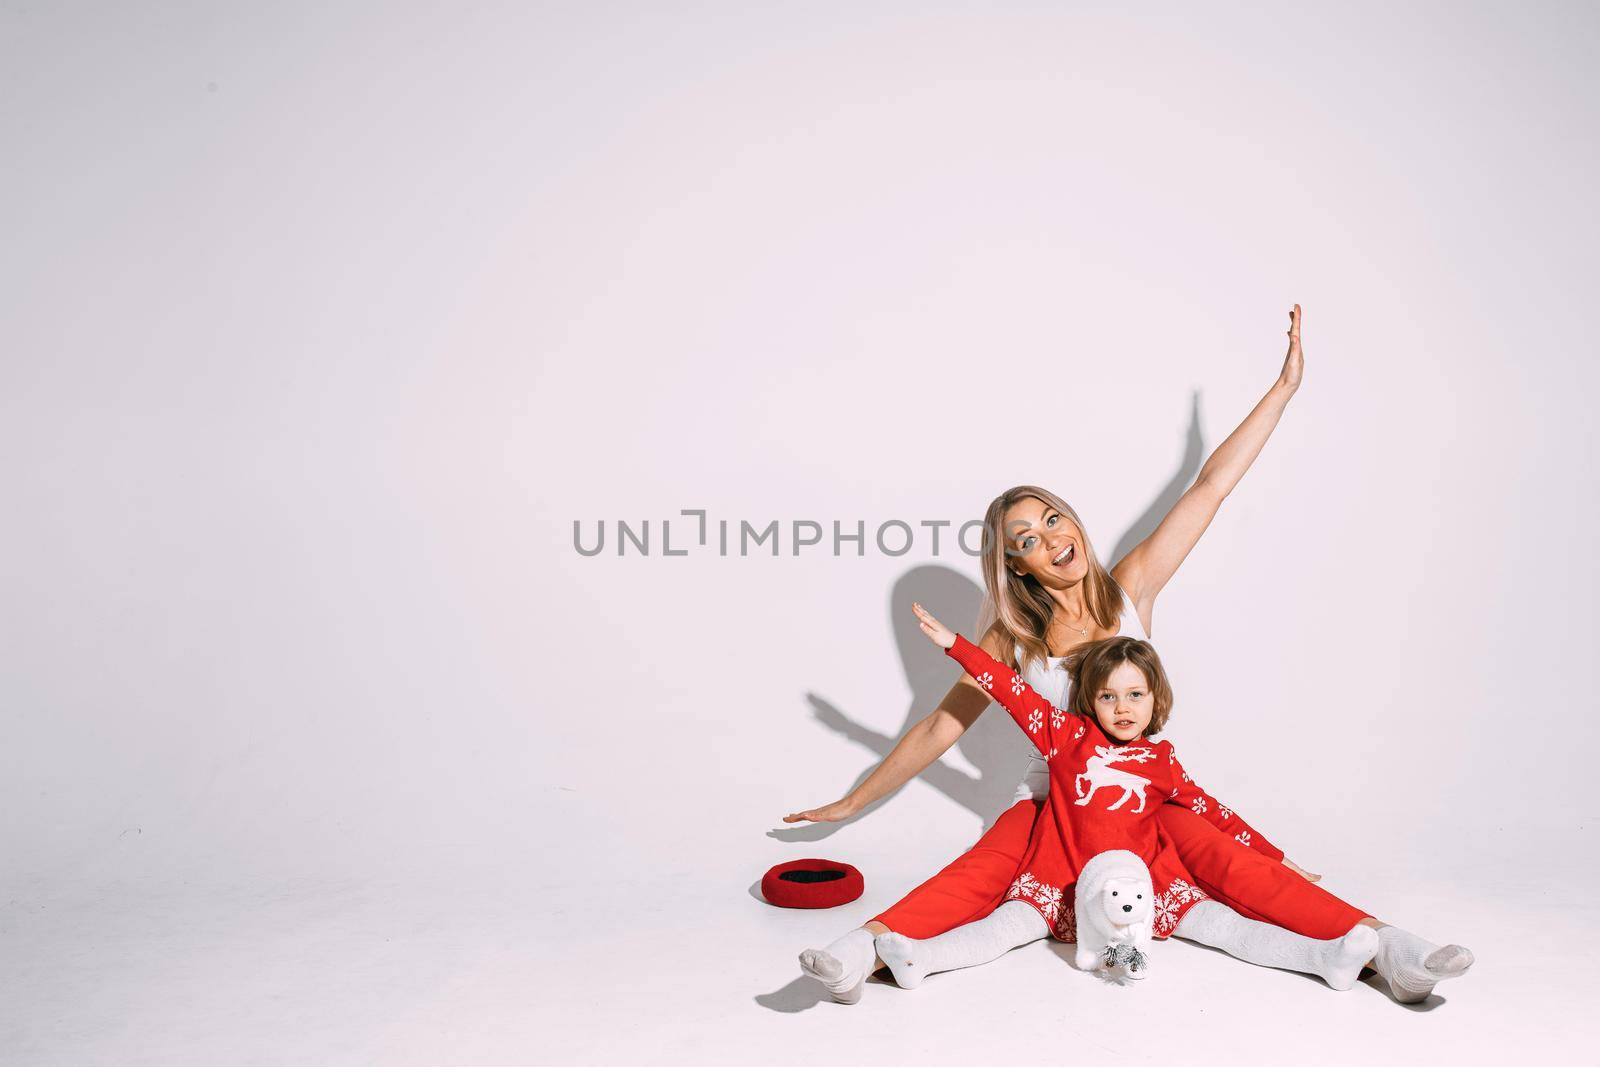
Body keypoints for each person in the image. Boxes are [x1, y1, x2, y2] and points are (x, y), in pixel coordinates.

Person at [788, 307, 1472, 1005]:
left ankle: (1393, 950)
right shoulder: (1010, 641)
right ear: (1016, 565)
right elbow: (938, 730)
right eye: (1025, 536)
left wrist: (1284, 387)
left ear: (1071, 521)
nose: (1048, 536)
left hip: (1142, 791)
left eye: (1051, 517)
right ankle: (856, 955)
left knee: (1236, 864)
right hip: (1055, 798)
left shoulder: (1131, 587)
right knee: (980, 866)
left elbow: (1209, 487)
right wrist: (852, 797)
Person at [859, 606, 1468, 996]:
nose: (1122, 709)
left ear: (1155, 700)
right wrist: (955, 644)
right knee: (1001, 929)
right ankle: (913, 957)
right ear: (1089, 703)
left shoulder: (1161, 761)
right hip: (1062, 861)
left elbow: (1212, 810)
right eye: (1108, 697)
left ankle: (1340, 958)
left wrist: (1276, 855)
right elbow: (1013, 691)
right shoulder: (1065, 735)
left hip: (1146, 873)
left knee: (1228, 927)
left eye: (1135, 696)